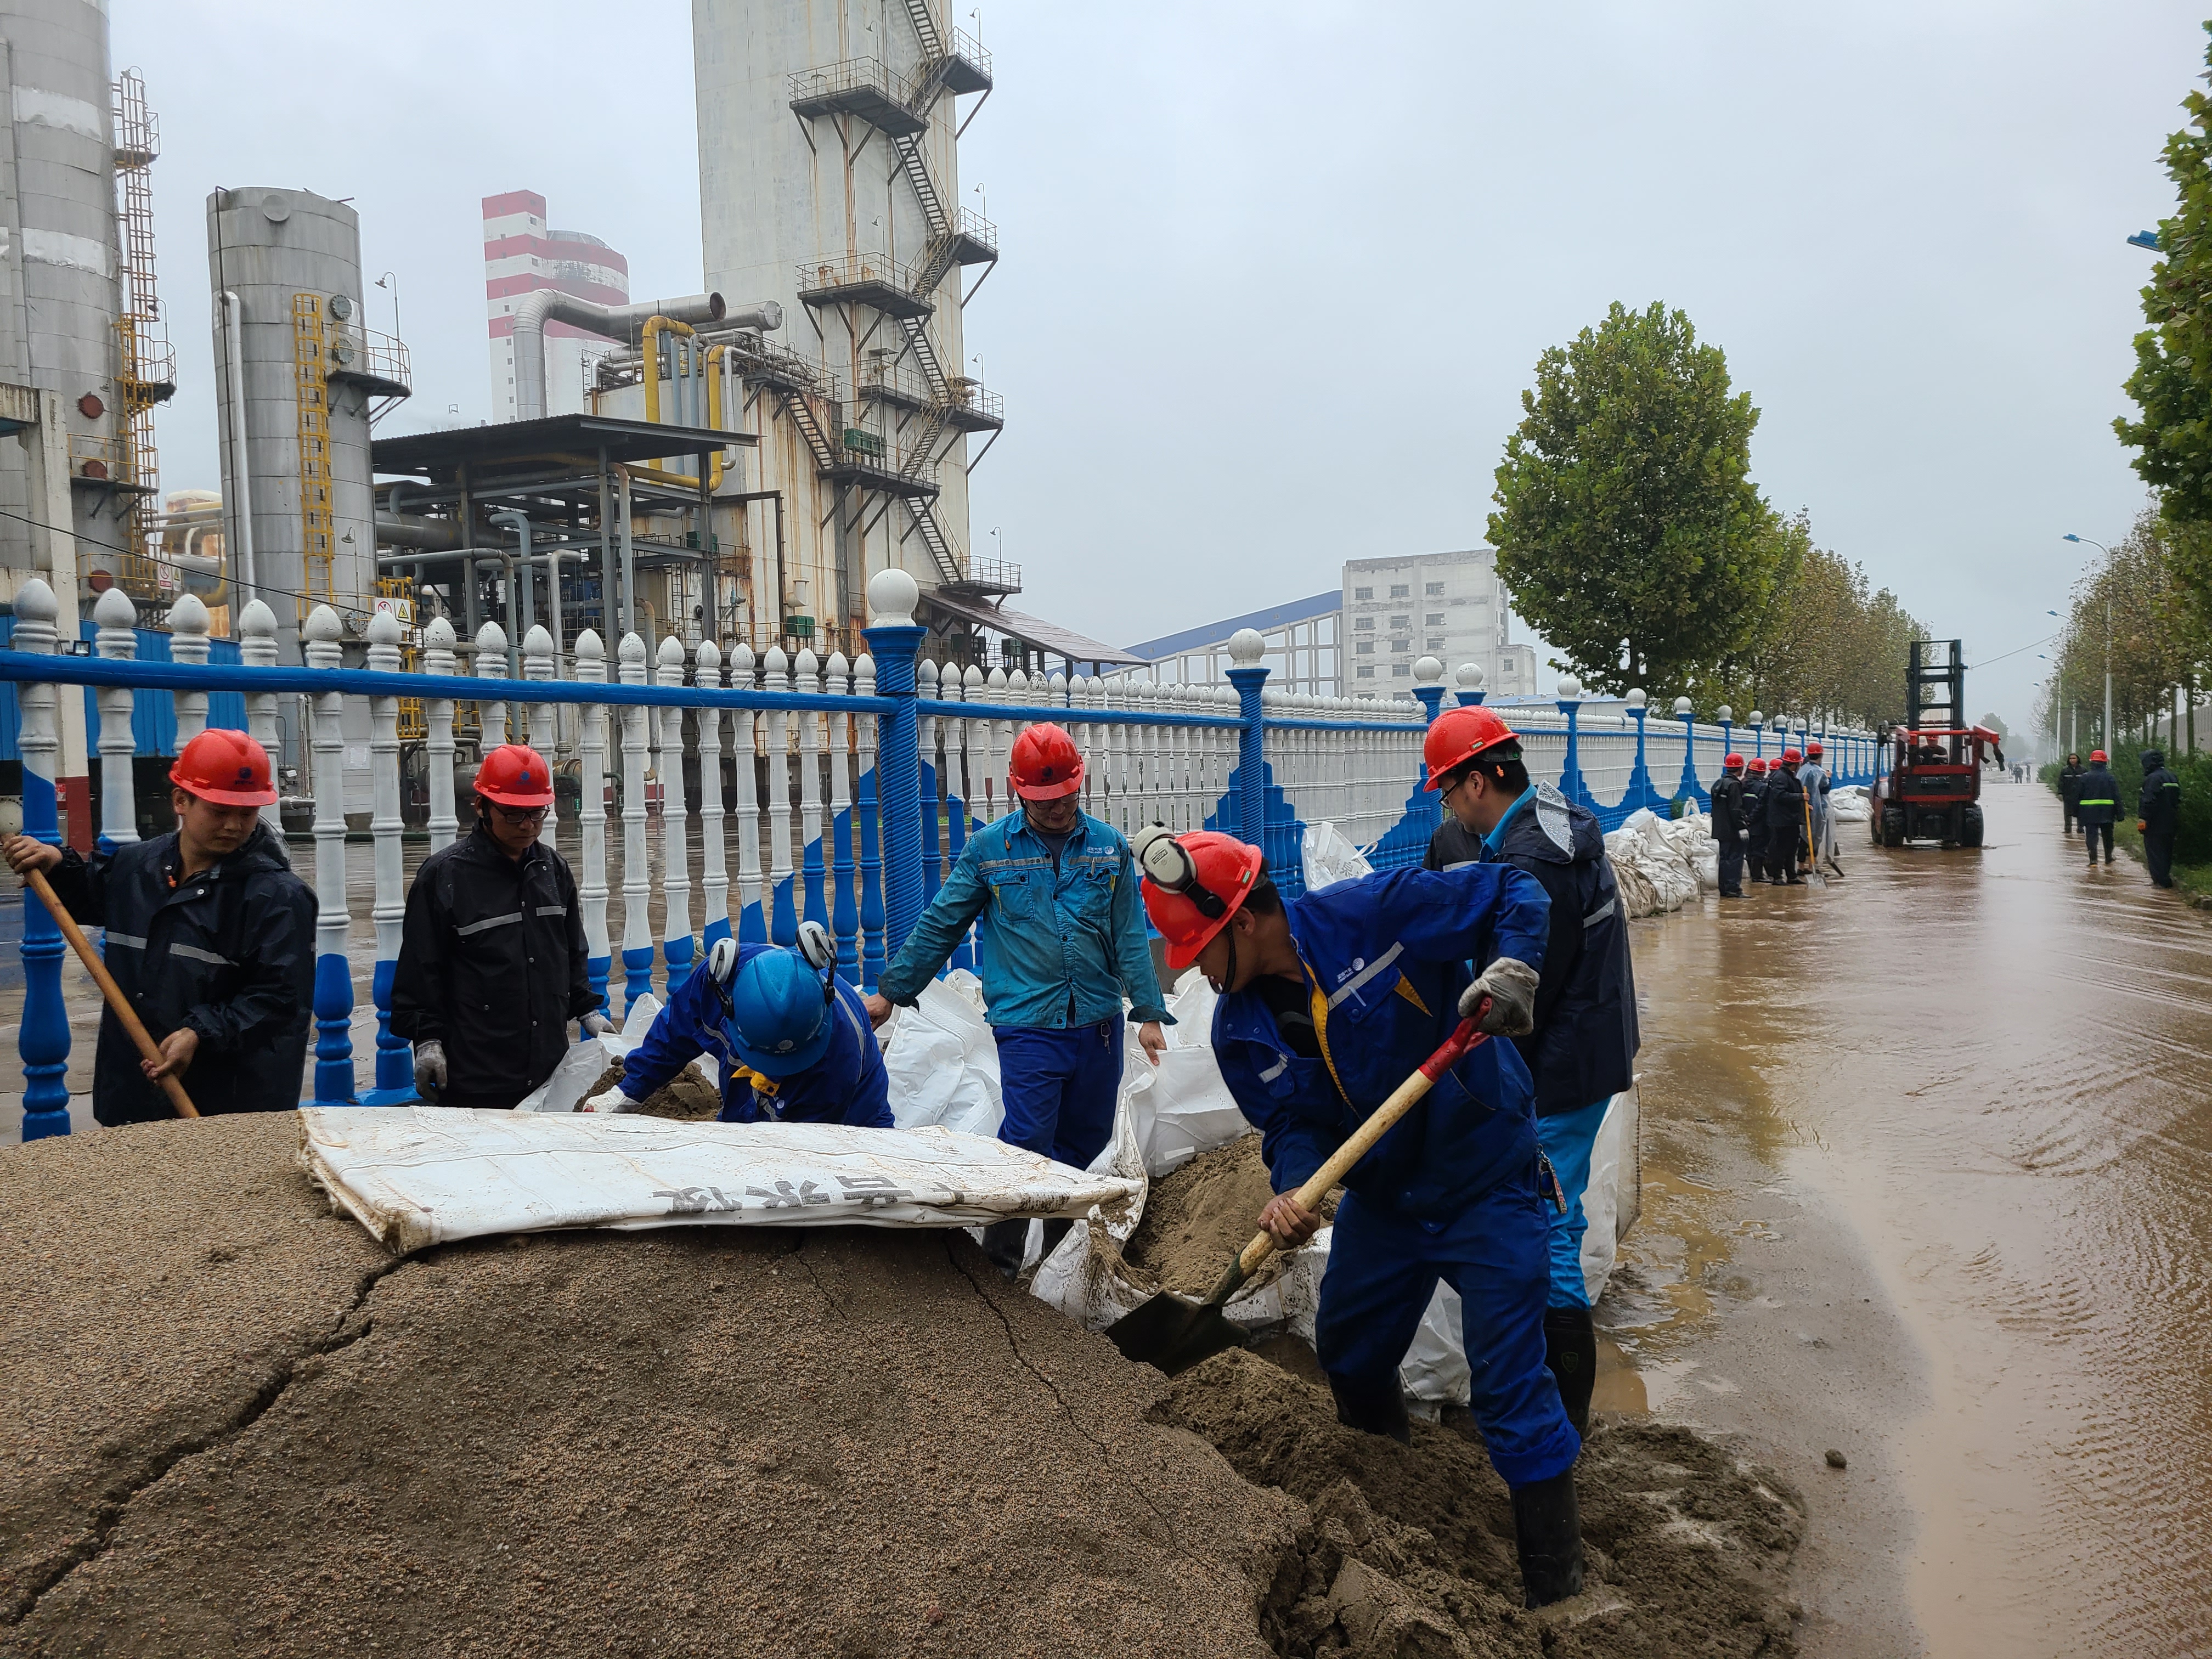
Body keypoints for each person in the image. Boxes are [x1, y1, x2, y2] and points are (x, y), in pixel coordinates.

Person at [1137, 827, 1584, 1608]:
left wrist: (1513, 966)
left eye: (1201, 950)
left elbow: (1515, 890)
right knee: (1348, 1351)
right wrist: (1296, 1188)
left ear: (1247, 921)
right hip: (1386, 1202)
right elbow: (1289, 1123)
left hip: (1485, 1183)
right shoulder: (1238, 1029)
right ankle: (1397, 1500)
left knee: (1510, 1387)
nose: (1195, 972)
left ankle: (1558, 1590)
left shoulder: (1373, 914)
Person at [866, 721, 1171, 1277]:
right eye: (1045, 800)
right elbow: (941, 924)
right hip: (1028, 1023)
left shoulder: (1108, 848)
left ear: (1079, 784)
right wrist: (892, 993)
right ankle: (1001, 1263)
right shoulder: (989, 851)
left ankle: (1057, 1268)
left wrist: (1148, 1011)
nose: (1058, 809)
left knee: (1084, 1144)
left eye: (1067, 796)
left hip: (1099, 1024)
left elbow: (1130, 935)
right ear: (1020, 793)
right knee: (1028, 1138)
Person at [1418, 706, 1639, 1437]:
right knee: (1546, 1219)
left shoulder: (1533, 861)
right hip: (1582, 1051)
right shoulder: (1543, 822)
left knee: (1548, 1228)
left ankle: (1563, 1422)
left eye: (1448, 794)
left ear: (1478, 783)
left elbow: (1525, 992)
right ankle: (1551, 1407)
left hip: (1565, 1068)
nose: (1450, 811)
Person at [0, 727, 315, 1123]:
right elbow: (92, 891)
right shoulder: (136, 867)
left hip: (228, 1106)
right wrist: (56, 864)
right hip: (132, 1094)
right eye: (220, 811)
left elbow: (281, 1000)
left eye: (247, 813)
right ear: (181, 801)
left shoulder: (279, 897)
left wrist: (199, 1033)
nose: (234, 826)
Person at [392, 744, 612, 1110]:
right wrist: (427, 1041)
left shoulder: (554, 871)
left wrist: (588, 1011)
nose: (527, 825)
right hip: (476, 1074)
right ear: (482, 807)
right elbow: (420, 970)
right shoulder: (444, 877)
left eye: (536, 813)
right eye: (513, 814)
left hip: (548, 1068)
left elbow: (571, 953)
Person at [583, 921, 891, 1125]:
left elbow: (796, 1148)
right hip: (759, 1090)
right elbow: (673, 1036)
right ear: (728, 1006)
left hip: (850, 1127)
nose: (774, 1071)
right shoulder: (715, 984)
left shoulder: (841, 1056)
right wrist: (627, 1091)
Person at [1707, 754, 1752, 898]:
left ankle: (1725, 889)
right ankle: (1733, 889)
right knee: (1735, 859)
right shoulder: (1734, 785)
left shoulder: (1719, 783)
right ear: (1740, 768)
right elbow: (1736, 809)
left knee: (1725, 859)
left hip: (1721, 830)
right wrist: (1742, 826)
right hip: (1732, 830)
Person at [2138, 748, 2181, 889]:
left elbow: (2148, 800)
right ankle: (2165, 878)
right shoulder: (2172, 777)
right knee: (2167, 851)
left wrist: (2143, 818)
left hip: (2155, 823)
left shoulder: (2153, 779)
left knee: (2155, 852)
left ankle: (2160, 881)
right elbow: (2177, 800)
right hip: (2171, 822)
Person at [1764, 749, 1808, 886]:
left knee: (1791, 849)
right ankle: (1777, 877)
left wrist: (1802, 803)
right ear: (1794, 764)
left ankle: (1791, 876)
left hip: (1791, 820)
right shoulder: (1781, 777)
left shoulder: (1789, 776)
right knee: (1780, 850)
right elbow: (1780, 796)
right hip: (1781, 821)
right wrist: (1800, 797)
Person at [2075, 749, 2119, 869]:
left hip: (2089, 813)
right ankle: (2108, 858)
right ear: (2105, 763)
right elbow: (2116, 797)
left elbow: (2078, 796)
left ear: (2091, 763)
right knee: (2108, 836)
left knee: (2091, 837)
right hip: (2107, 812)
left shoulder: (2084, 778)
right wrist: (2120, 813)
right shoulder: (2110, 778)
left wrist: (2076, 812)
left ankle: (2093, 861)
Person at [1742, 760, 1770, 884]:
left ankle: (1753, 874)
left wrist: (1745, 819)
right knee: (1759, 850)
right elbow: (1761, 806)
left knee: (1749, 850)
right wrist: (1751, 819)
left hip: (1744, 823)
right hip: (1758, 823)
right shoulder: (1763, 787)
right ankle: (1757, 876)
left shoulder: (1741, 784)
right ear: (1762, 772)